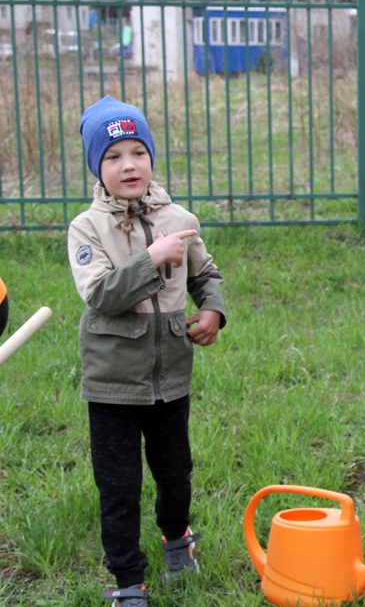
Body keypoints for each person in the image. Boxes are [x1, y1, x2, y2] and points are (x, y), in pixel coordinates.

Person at [68, 96, 226, 607]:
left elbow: (204, 272)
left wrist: (213, 311)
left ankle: (177, 539)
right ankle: (127, 580)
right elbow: (102, 295)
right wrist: (150, 258)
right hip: (113, 382)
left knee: (175, 472)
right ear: (97, 167)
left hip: (170, 376)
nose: (129, 164)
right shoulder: (86, 229)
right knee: (119, 487)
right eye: (113, 156)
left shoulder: (179, 217)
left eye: (138, 151)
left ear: (152, 157)